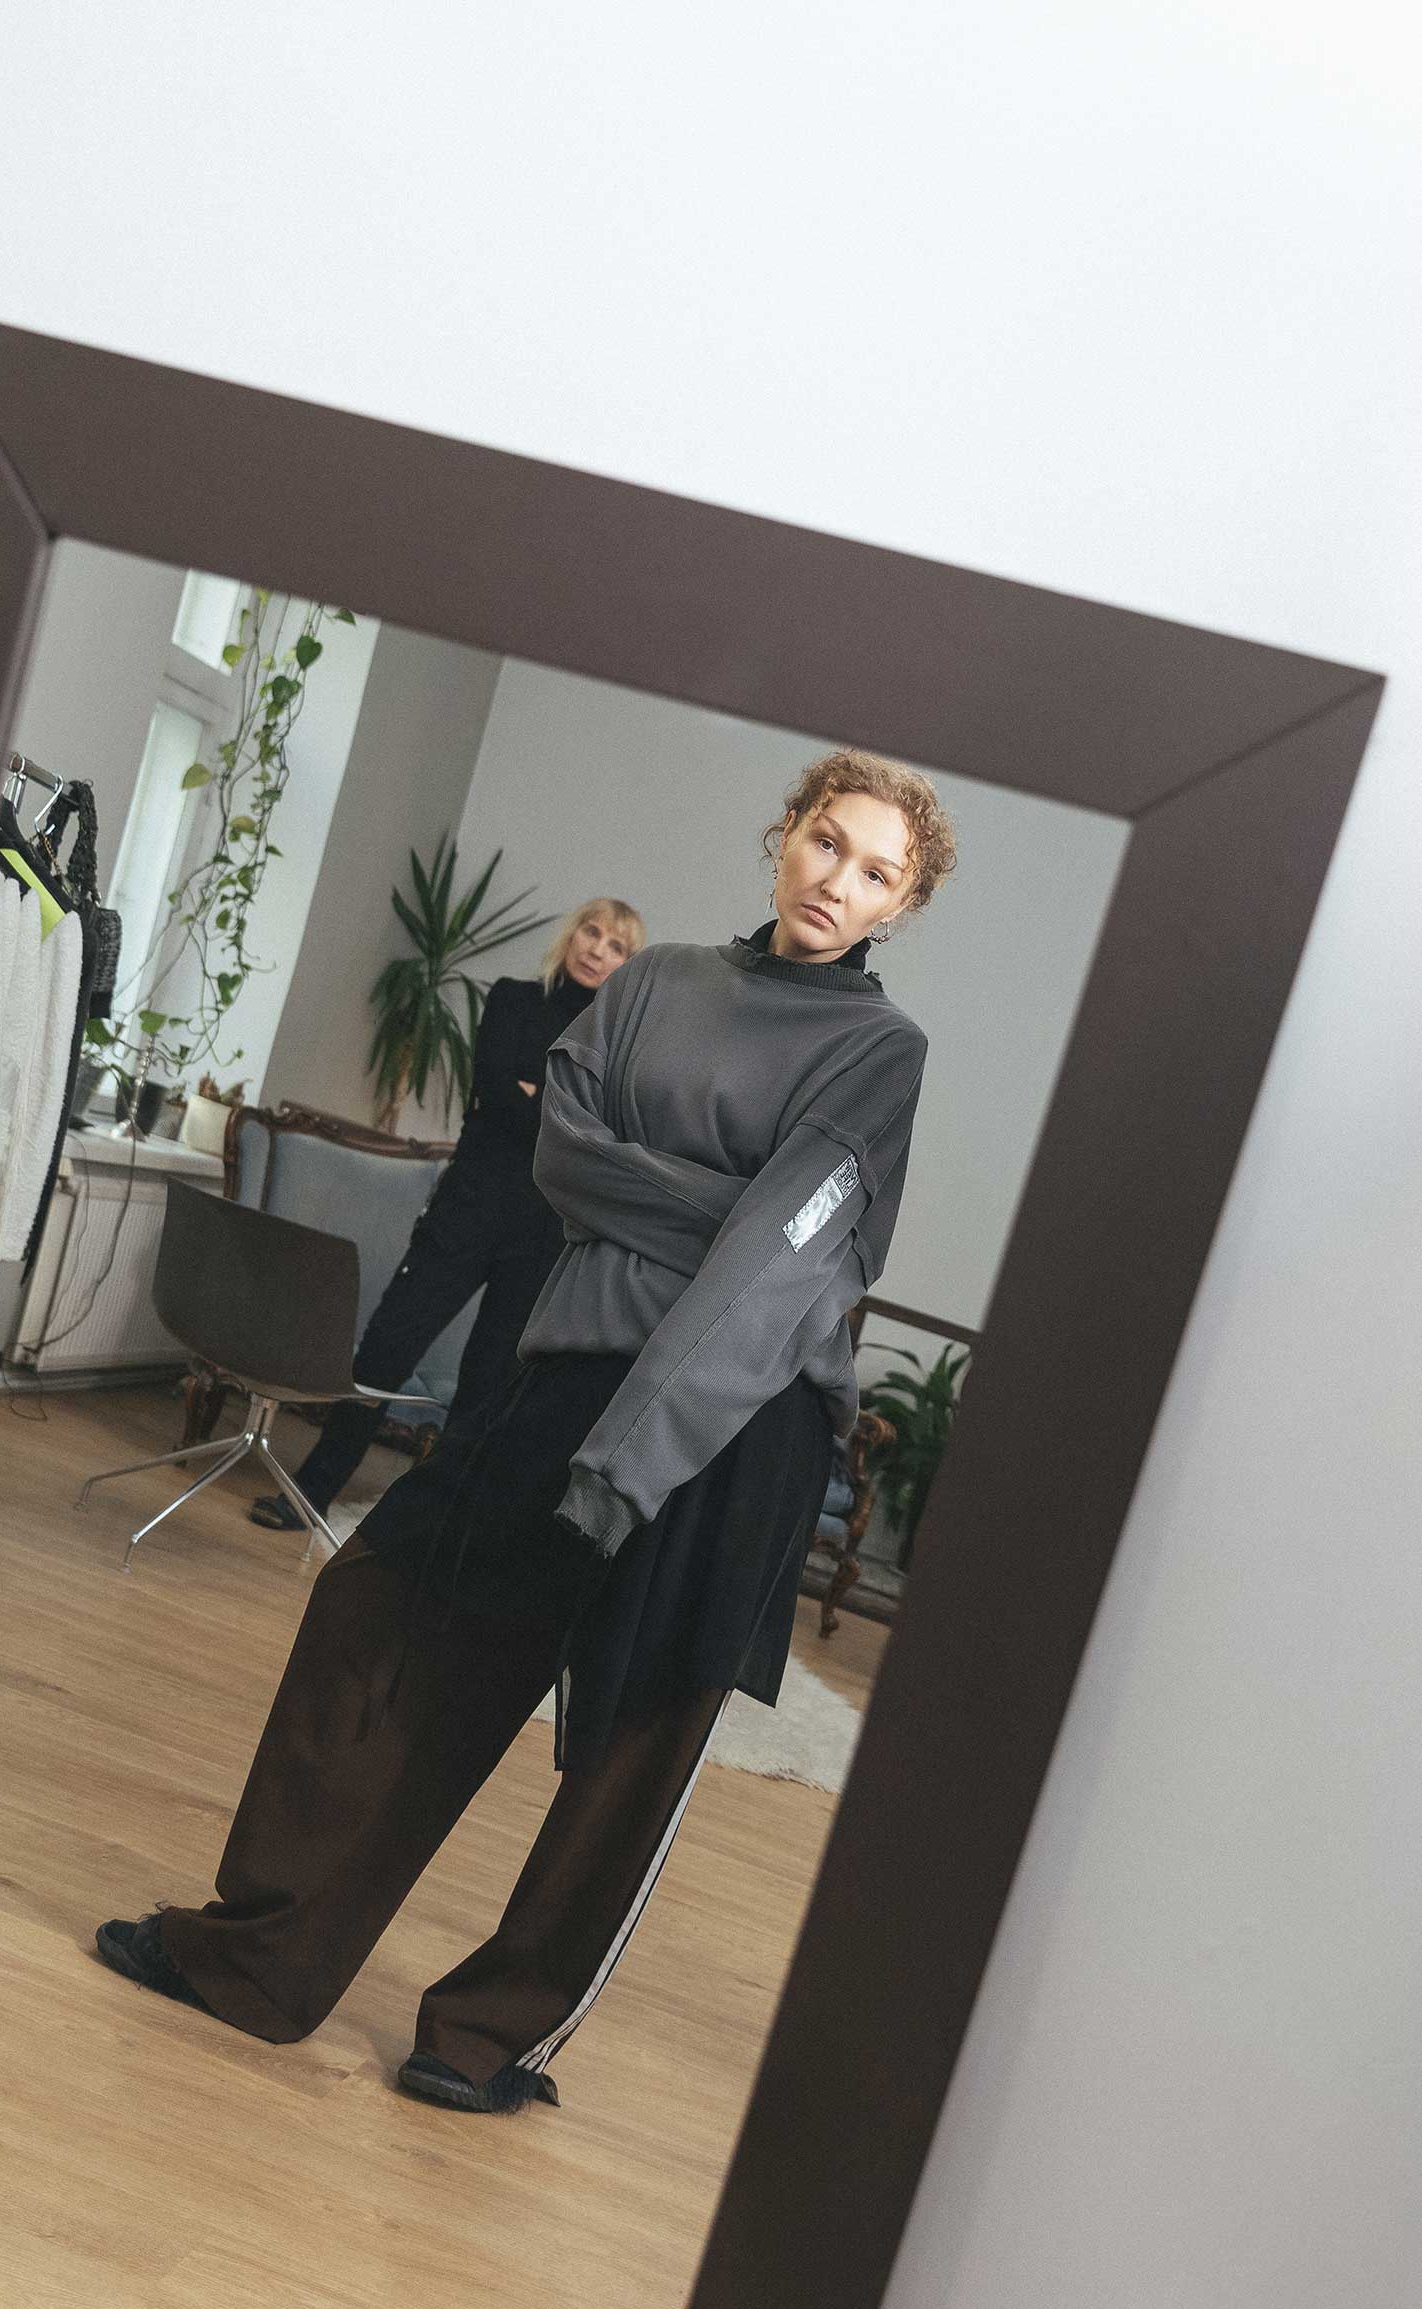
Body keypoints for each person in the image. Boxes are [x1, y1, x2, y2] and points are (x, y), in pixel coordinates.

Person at [97, 749, 955, 2115]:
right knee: (382, 1618)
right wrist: (723, 1204)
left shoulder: (876, 1054)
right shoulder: (658, 980)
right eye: (824, 841)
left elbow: (775, 1267)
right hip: (562, 1384)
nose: (835, 881)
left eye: (875, 873)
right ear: (783, 832)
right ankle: (258, 1957)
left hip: (733, 1431)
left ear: (899, 906)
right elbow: (562, 1157)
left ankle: (482, 2038)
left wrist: (638, 1438)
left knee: (628, 1749)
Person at [247, 898, 646, 1533]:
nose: (597, 950)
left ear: (628, 964)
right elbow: (495, 1091)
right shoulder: (513, 999)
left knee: (486, 1385)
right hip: (467, 1210)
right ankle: (311, 1492)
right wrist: (553, 1109)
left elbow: (595, 1136)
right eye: (591, 932)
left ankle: (431, 1527)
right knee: (386, 1349)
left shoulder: (615, 1045)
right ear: (571, 936)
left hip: (542, 1232)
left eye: (616, 945)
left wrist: (534, 1095)